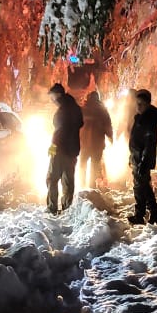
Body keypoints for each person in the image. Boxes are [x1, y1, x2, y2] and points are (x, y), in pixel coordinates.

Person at [127, 89, 157, 225]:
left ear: (148, 104)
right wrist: (131, 157)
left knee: (140, 188)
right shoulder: (141, 117)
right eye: (137, 104)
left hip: (142, 159)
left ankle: (141, 215)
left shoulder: (148, 119)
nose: (138, 107)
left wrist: (143, 161)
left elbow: (148, 144)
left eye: (141, 104)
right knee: (144, 186)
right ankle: (153, 214)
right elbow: (135, 140)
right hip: (137, 158)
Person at [46, 82, 83, 214]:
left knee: (52, 178)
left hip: (60, 149)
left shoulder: (63, 110)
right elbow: (79, 124)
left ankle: (52, 208)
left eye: (52, 97)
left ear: (58, 95)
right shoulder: (74, 107)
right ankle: (67, 207)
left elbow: (59, 131)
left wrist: (53, 147)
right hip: (72, 149)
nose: (51, 100)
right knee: (68, 180)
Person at [79, 91, 112, 189]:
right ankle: (91, 187)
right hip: (97, 144)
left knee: (82, 165)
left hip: (84, 143)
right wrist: (110, 137)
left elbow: (76, 124)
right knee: (94, 165)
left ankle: (81, 186)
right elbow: (108, 125)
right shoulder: (102, 111)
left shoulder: (83, 109)